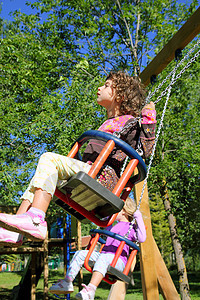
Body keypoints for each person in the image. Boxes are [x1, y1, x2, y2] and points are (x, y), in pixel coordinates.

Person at [0, 71, 156, 246]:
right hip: (91, 171)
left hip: (102, 177)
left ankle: (36, 220)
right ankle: (17, 230)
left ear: (120, 95)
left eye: (106, 85)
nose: (100, 87)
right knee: (40, 179)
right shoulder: (109, 121)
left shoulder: (130, 122)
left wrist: (149, 119)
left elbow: (145, 151)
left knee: (49, 159)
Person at [49, 197, 146, 299]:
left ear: (124, 211)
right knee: (80, 253)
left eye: (114, 209)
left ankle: (91, 290)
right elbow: (103, 225)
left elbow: (142, 238)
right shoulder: (112, 225)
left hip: (119, 261)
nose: (111, 211)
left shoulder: (131, 227)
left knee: (103, 258)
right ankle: (67, 282)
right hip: (104, 256)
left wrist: (138, 217)